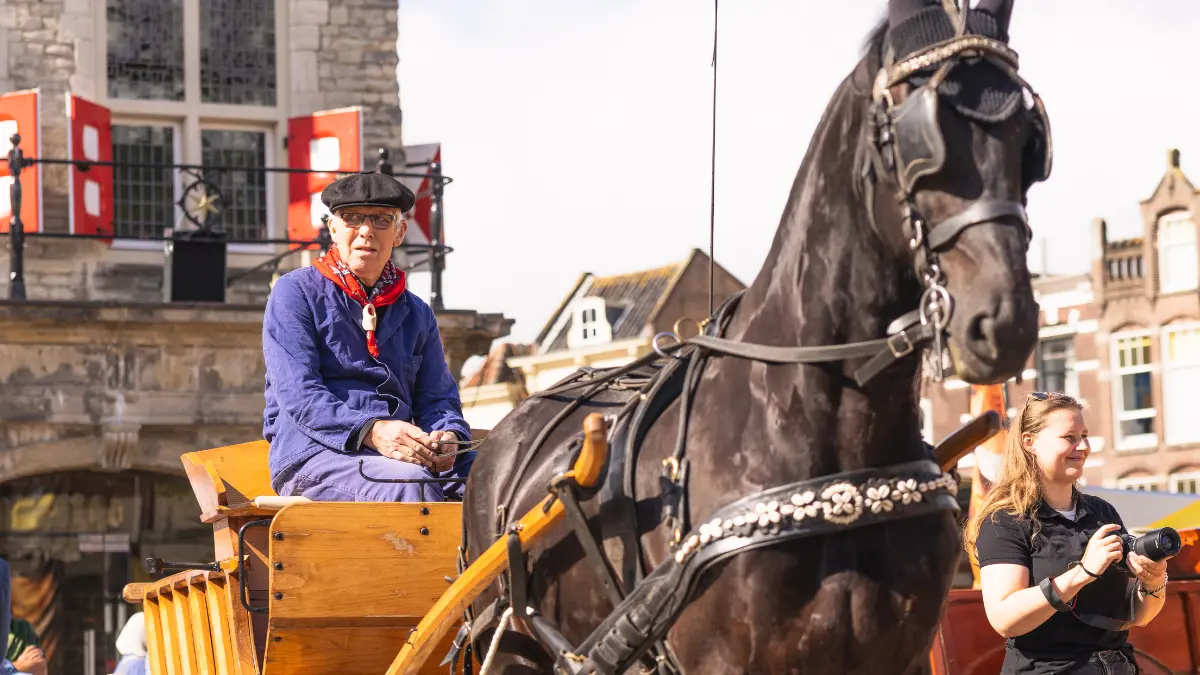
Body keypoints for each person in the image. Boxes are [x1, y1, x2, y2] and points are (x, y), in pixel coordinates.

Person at [263, 172, 472, 502]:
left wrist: (449, 436)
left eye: (380, 220)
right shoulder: (295, 292)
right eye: (352, 218)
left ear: (399, 232)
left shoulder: (417, 312)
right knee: (411, 486)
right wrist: (373, 431)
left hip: (401, 457)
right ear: (333, 228)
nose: (365, 231)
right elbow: (299, 395)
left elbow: (438, 399)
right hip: (315, 455)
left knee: (500, 479)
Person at [966, 392, 1174, 675]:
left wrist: (1154, 580)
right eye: (1069, 437)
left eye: (1085, 435)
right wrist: (1084, 572)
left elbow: (1140, 615)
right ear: (1030, 443)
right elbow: (1005, 619)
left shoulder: (1102, 513)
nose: (1084, 446)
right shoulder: (1005, 520)